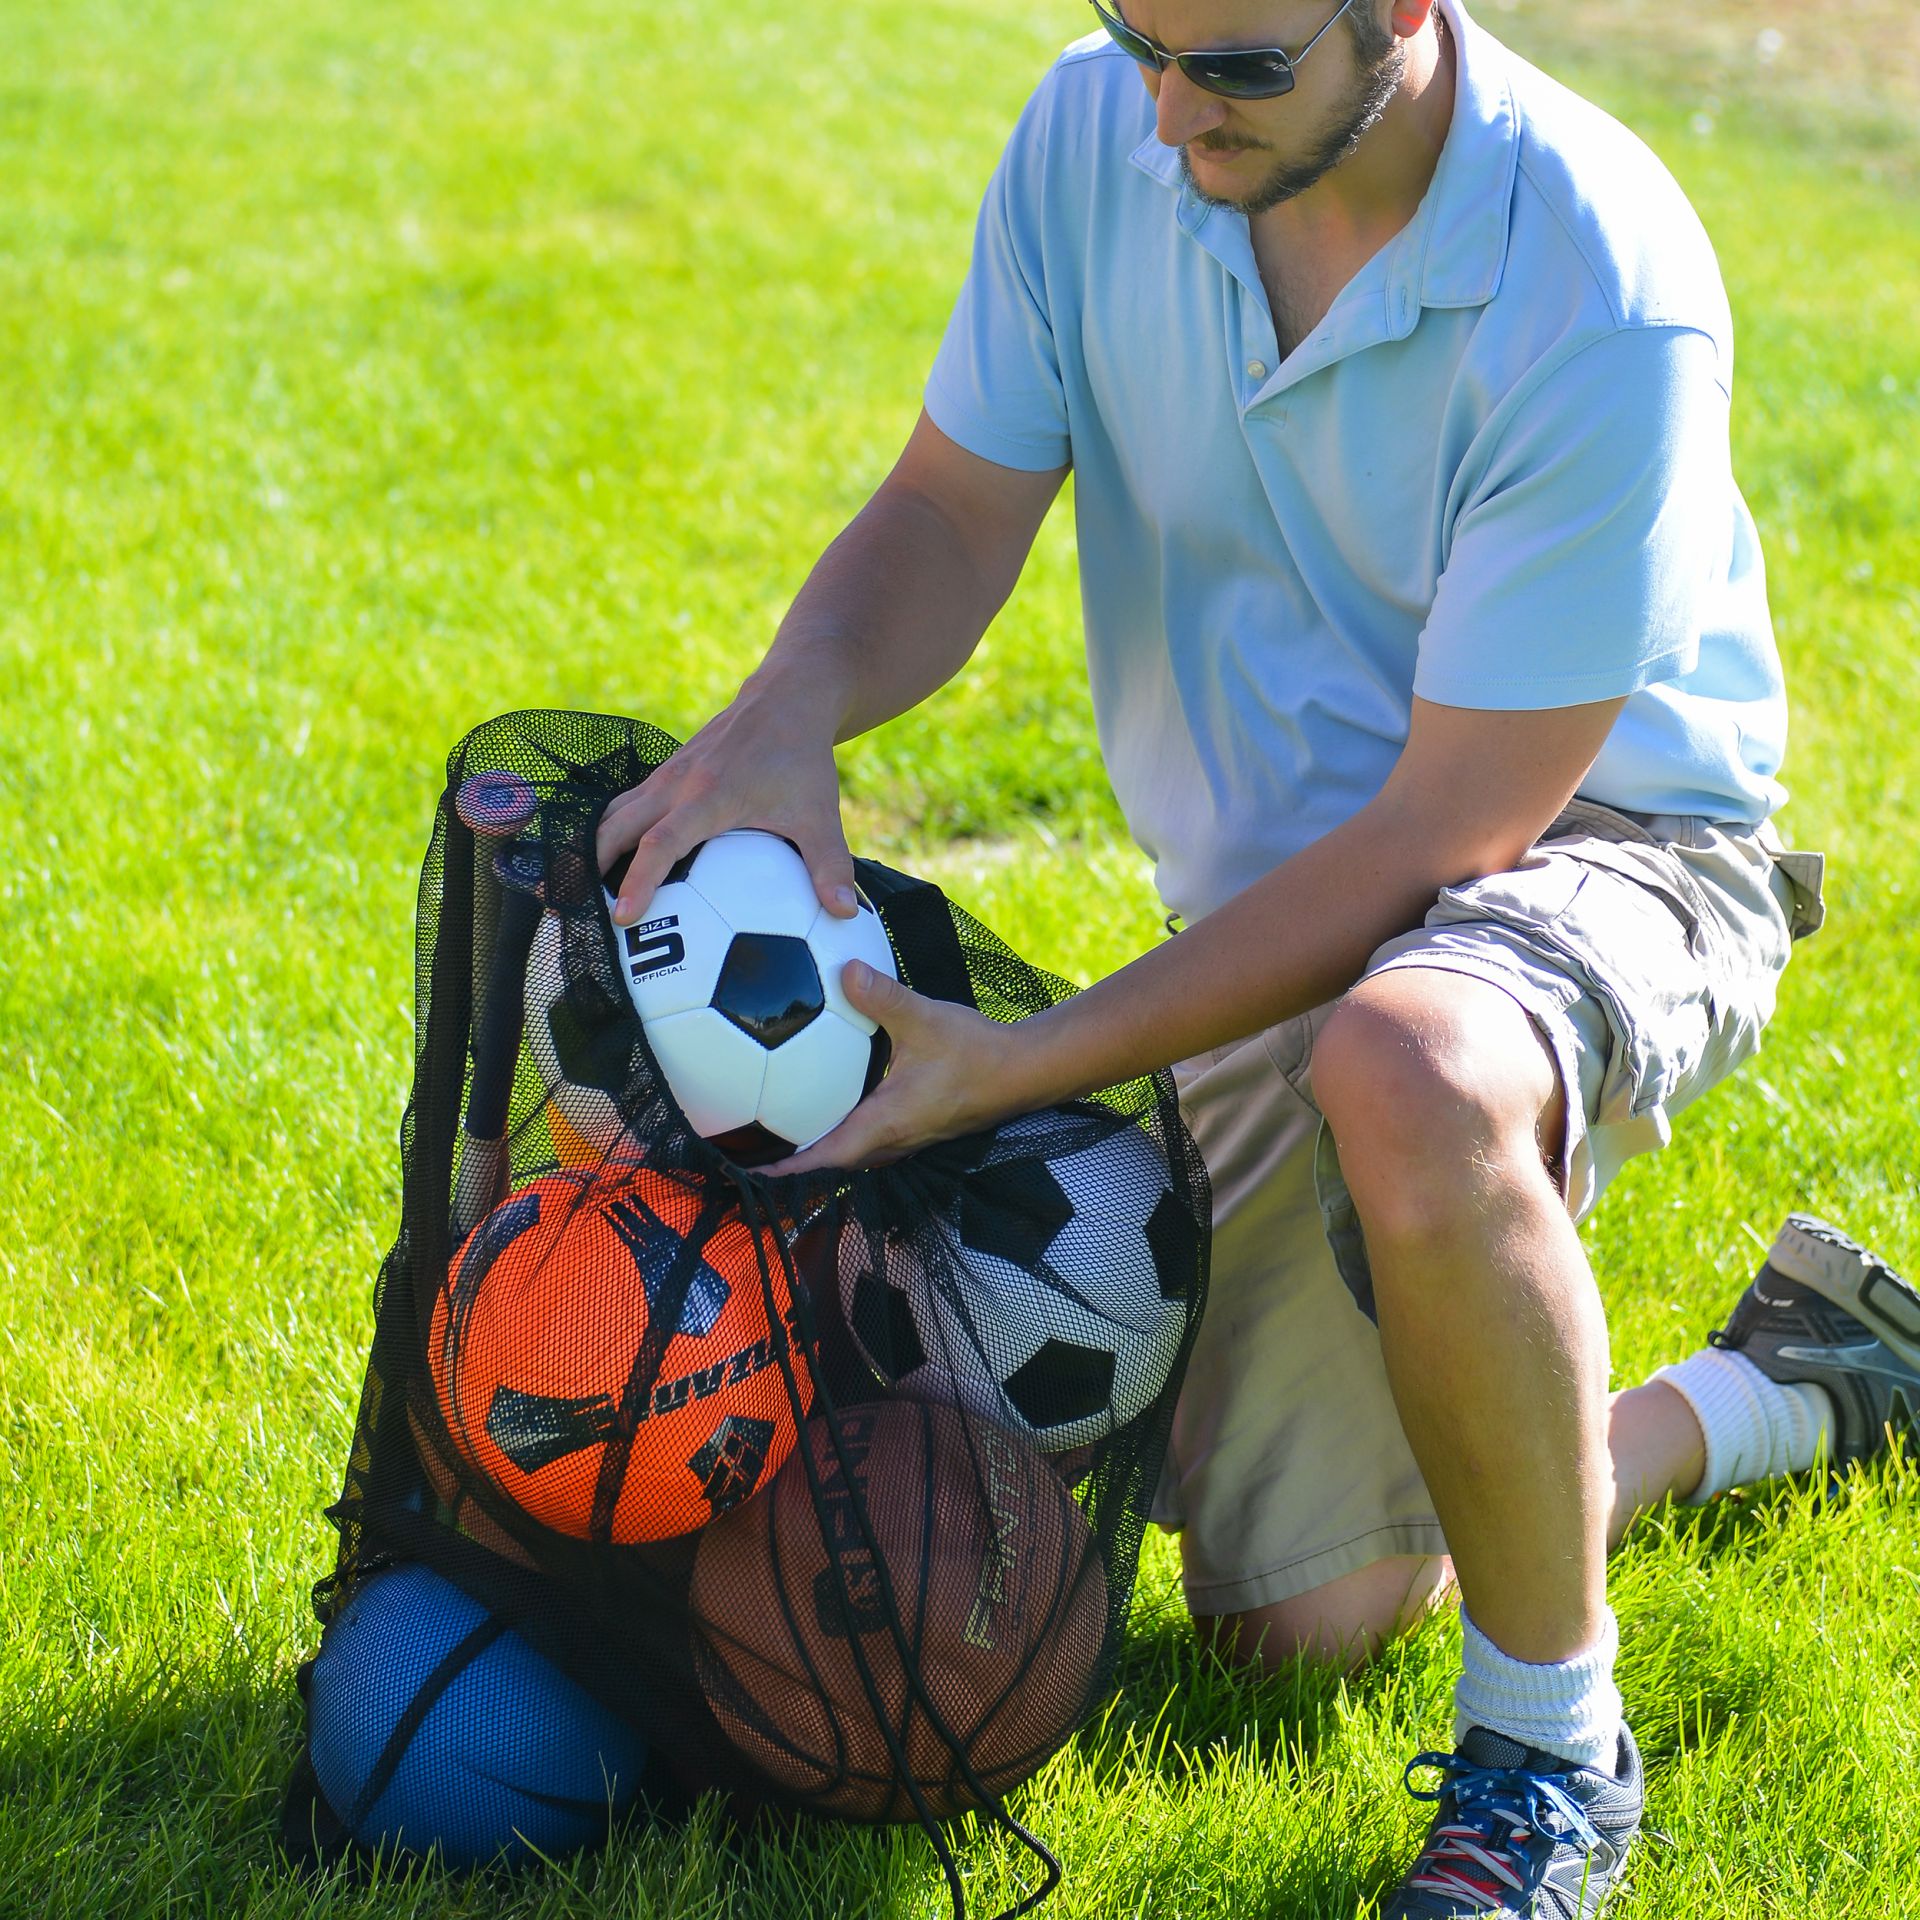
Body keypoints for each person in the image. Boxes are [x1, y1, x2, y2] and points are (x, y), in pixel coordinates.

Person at [596, 2, 1920, 1911]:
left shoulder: (1600, 274)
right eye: (1139, 35)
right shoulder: (1098, 138)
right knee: (1302, 1627)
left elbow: (1448, 835)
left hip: (1606, 843)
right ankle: (1772, 1387)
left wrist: (1016, 1065)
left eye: (1231, 66)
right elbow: (956, 508)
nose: (1164, 107)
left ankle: (1552, 1754)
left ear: (1398, 8)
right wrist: (791, 707)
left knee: (1414, 1068)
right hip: (1286, 908)